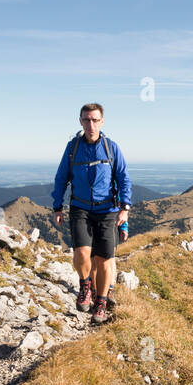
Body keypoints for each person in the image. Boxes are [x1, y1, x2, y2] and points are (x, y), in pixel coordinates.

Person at [51, 102, 132, 323]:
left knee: (105, 260)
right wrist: (57, 206)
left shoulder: (111, 147)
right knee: (81, 254)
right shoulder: (73, 148)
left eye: (95, 120)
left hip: (107, 210)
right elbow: (61, 178)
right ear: (80, 121)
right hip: (80, 208)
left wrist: (125, 208)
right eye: (86, 120)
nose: (91, 124)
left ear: (102, 122)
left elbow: (123, 178)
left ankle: (102, 301)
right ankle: (86, 285)